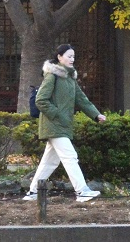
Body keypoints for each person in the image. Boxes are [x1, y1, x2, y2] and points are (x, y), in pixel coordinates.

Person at [24, 44, 105, 203]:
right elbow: (41, 100)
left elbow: (82, 99)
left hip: (61, 125)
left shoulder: (70, 78)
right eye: (69, 56)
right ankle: (82, 191)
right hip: (54, 125)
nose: (72, 59)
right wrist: (57, 114)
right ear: (59, 57)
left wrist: (96, 115)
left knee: (50, 161)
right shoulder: (52, 76)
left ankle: (33, 192)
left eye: (73, 56)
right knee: (70, 156)